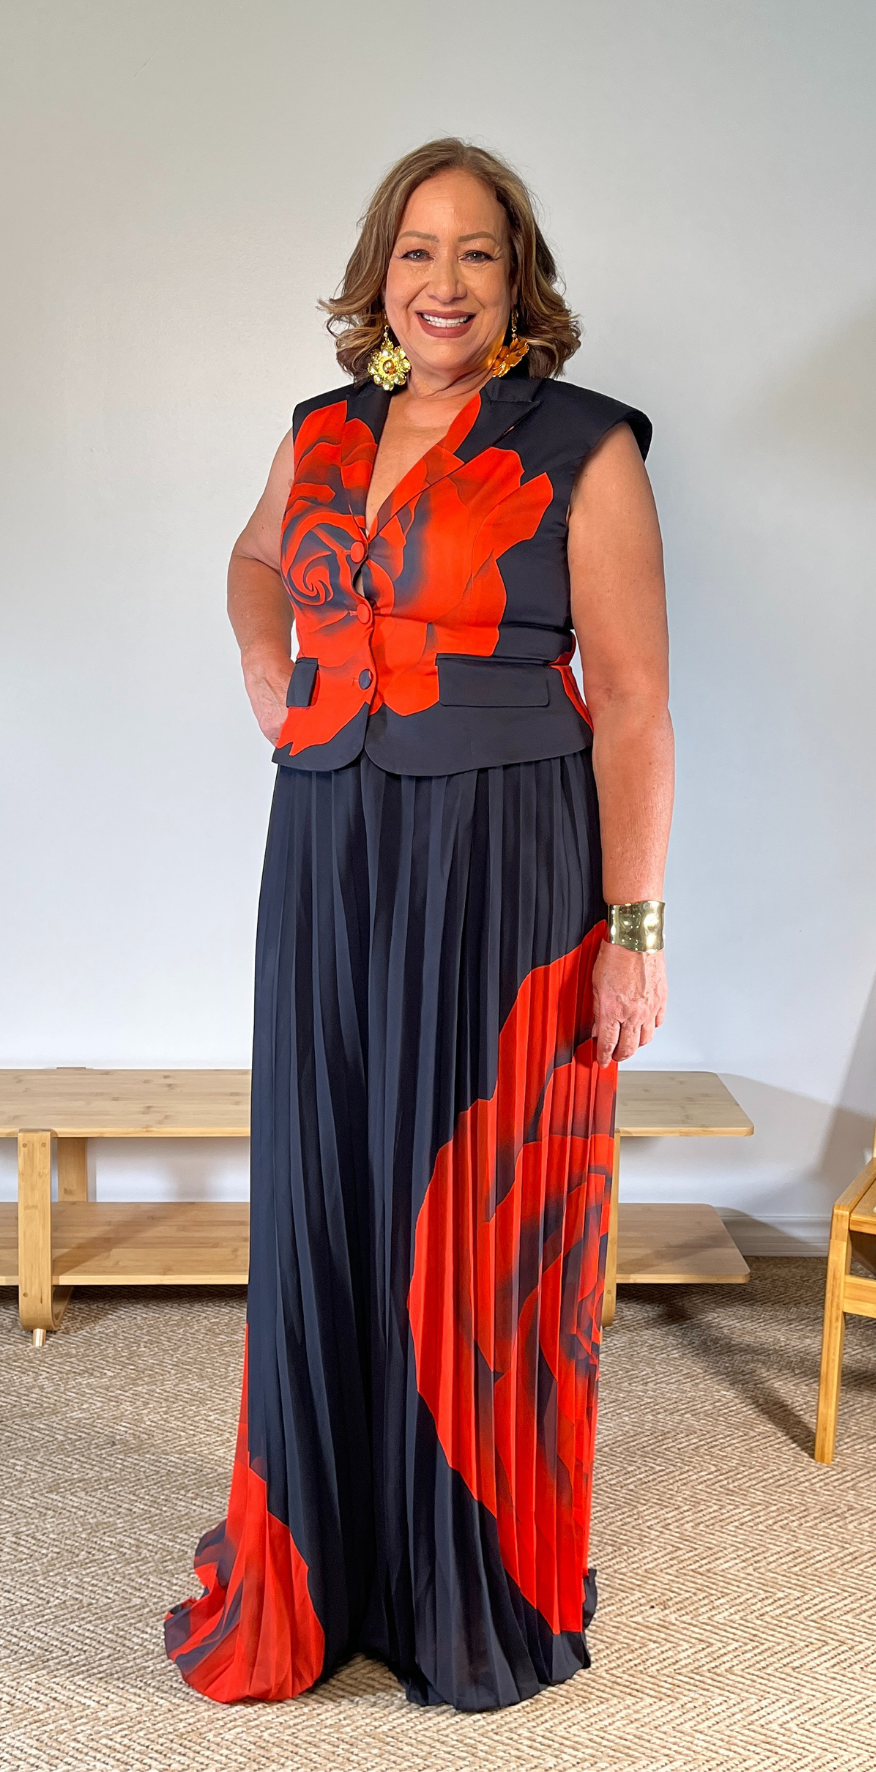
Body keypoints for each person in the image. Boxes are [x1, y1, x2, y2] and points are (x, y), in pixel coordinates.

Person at [165, 137, 673, 1712]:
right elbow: (258, 562)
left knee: (475, 1221)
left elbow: (634, 702)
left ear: (519, 280)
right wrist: (269, 666)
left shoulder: (585, 444)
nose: (442, 283)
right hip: (331, 841)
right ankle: (325, 1561)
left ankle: (472, 1582)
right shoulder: (320, 430)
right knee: (331, 1187)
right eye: (416, 250)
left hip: (507, 861)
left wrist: (635, 929)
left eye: (475, 254)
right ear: (377, 271)